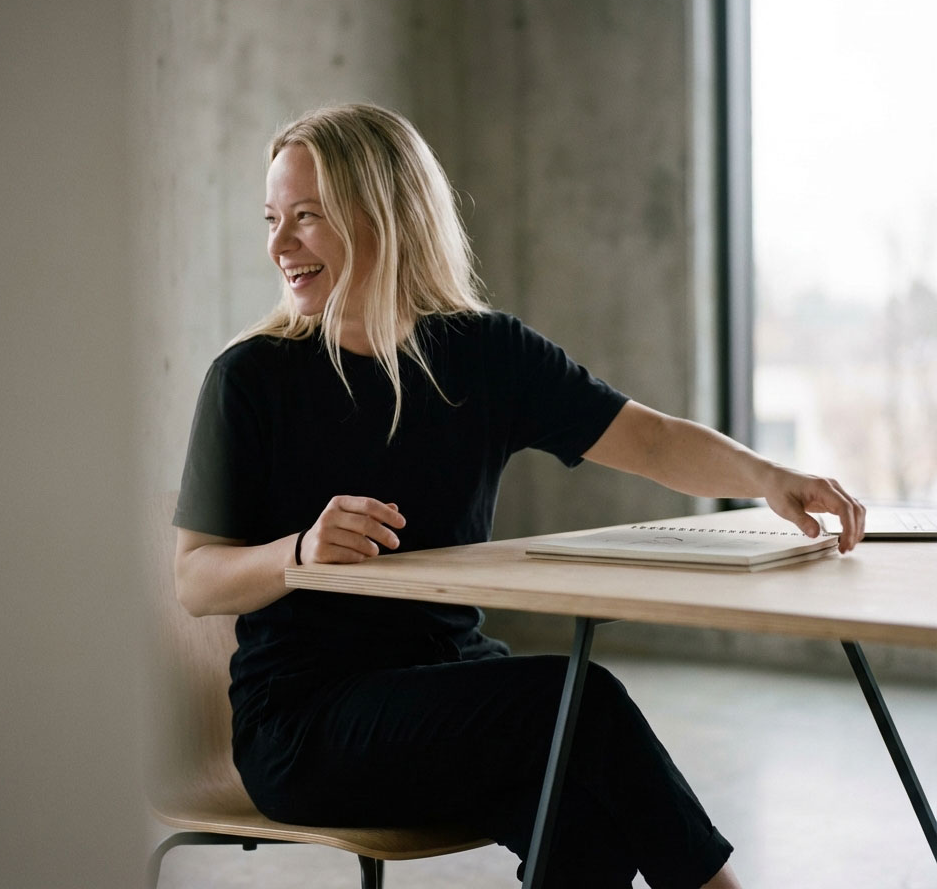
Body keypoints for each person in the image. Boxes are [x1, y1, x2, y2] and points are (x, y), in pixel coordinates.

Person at [173, 103, 865, 888]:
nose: (280, 244)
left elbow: (652, 439)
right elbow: (195, 580)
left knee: (581, 800)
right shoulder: (251, 379)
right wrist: (296, 551)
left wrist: (771, 479)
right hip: (307, 722)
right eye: (273, 219)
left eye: (308, 216)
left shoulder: (485, 354)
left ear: (387, 216)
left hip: (449, 682)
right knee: (578, 706)